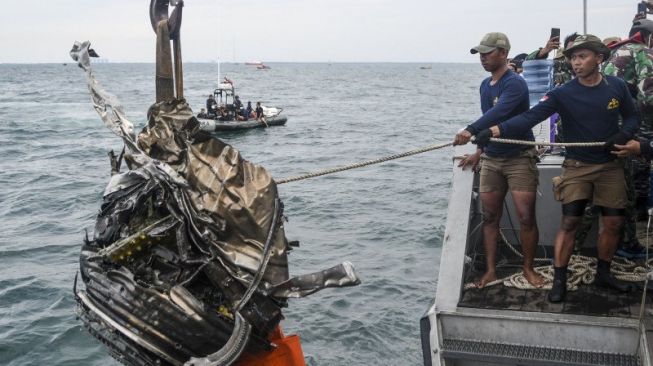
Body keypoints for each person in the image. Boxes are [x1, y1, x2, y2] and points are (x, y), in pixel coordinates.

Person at [471, 35, 640, 302]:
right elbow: (530, 116)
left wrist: (624, 135)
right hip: (577, 166)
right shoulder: (563, 93)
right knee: (570, 221)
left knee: (613, 222)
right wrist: (493, 130)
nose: (575, 62)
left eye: (582, 56)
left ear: (599, 58)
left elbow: (632, 116)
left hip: (610, 166)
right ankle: (559, 279)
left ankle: (604, 273)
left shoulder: (617, 87)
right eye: (573, 57)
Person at [453, 32, 544, 289]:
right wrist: (479, 151)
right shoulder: (485, 85)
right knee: (490, 216)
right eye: (480, 53)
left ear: (503, 53)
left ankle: (528, 268)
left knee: (526, 217)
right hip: (492, 158)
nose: (482, 57)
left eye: (488, 52)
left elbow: (501, 111)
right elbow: (489, 118)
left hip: (519, 158)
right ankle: (491, 270)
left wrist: (469, 129)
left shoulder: (515, 83)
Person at [603, 18, 653, 256]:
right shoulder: (643, 54)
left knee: (617, 184)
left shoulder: (614, 52)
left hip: (608, 127)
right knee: (630, 186)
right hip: (632, 128)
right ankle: (627, 243)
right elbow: (649, 97)